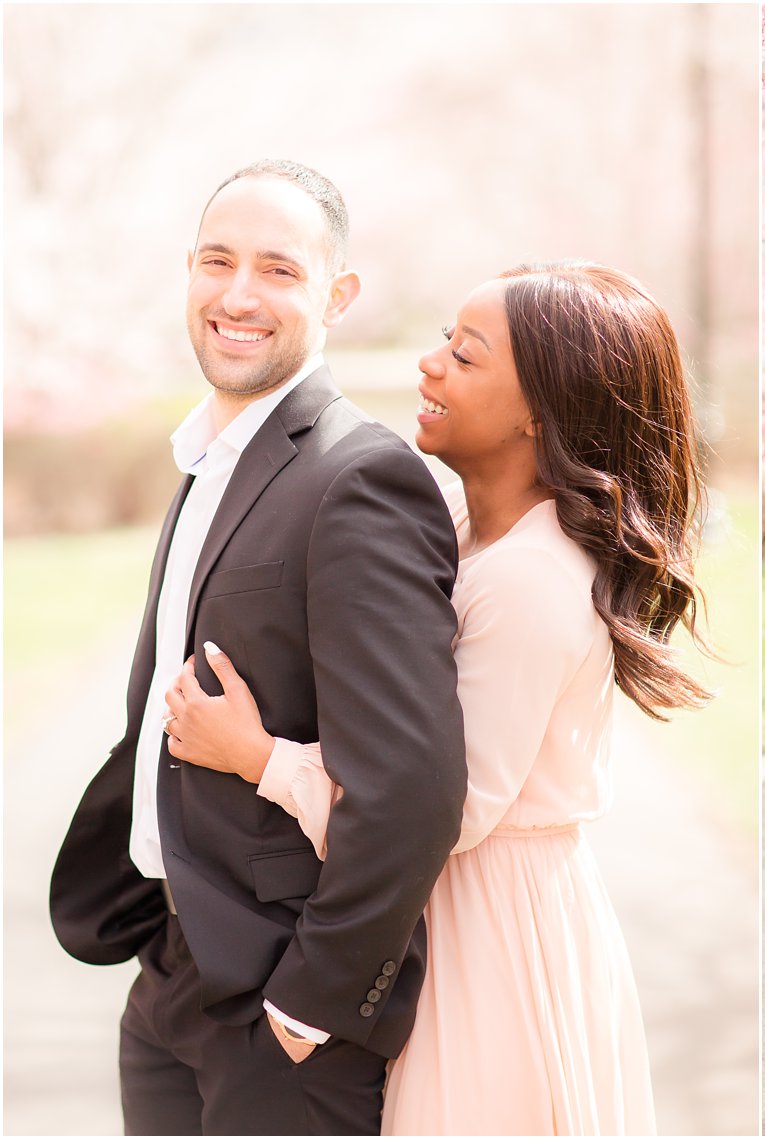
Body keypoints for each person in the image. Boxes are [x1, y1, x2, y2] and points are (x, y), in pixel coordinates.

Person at [162, 261, 709, 1134]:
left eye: (465, 355)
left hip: (490, 923)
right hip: (448, 903)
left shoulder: (531, 577)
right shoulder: (465, 530)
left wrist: (259, 757)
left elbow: (449, 814)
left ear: (541, 409)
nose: (429, 365)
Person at [49, 160, 467, 1134]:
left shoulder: (359, 477)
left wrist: (310, 1000)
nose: (238, 294)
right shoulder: (205, 461)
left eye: (279, 269)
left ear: (337, 293)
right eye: (216, 261)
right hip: (170, 965)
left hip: (279, 1007)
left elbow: (412, 788)